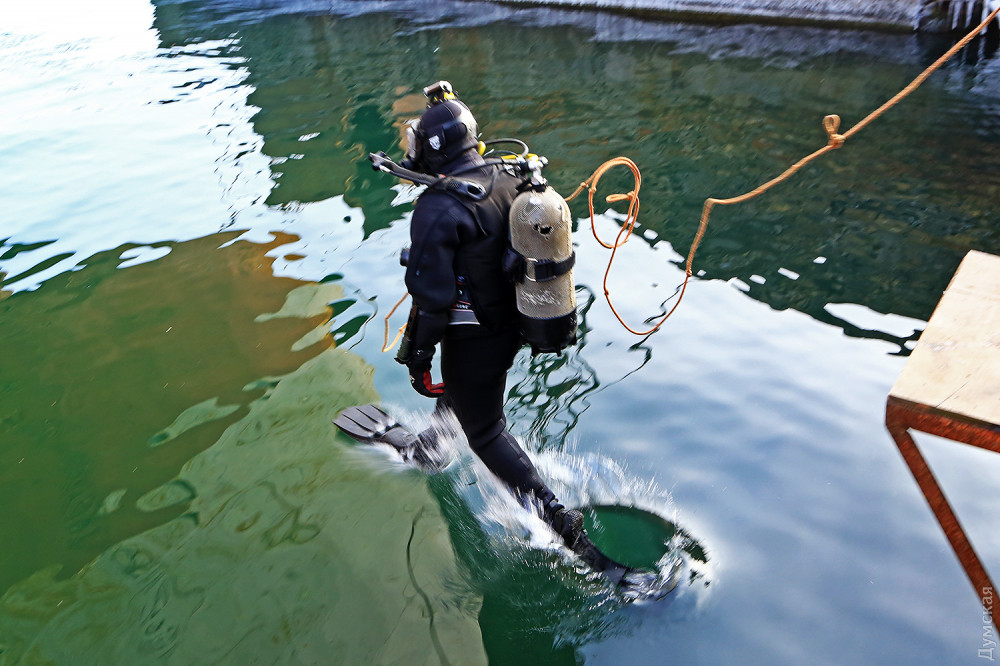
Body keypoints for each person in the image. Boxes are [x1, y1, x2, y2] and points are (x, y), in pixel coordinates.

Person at [395, 82, 584, 547]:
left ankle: (559, 521)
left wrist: (418, 359)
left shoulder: (438, 207)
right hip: (519, 319)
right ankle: (434, 448)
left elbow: (432, 300)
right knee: (464, 391)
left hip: (478, 334)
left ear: (434, 148)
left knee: (485, 430)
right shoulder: (508, 176)